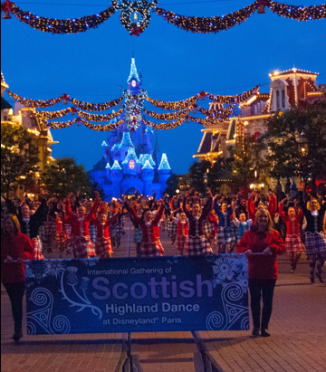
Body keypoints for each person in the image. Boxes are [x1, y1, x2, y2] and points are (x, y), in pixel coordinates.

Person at [237, 208, 285, 337]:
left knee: (268, 301)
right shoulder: (248, 234)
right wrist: (245, 250)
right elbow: (240, 247)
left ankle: (265, 327)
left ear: (268, 219)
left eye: (265, 217)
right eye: (261, 217)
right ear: (256, 219)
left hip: (269, 273)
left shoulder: (274, 234)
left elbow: (282, 248)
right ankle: (256, 326)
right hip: (254, 272)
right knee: (255, 299)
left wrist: (272, 247)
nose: (263, 219)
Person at [1, 214, 34, 344]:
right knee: (14, 302)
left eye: (10, 223)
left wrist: (24, 256)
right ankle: (17, 328)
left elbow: (31, 252)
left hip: (20, 274)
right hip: (7, 275)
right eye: (6, 223)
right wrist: (4, 257)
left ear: (15, 224)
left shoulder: (23, 238)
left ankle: (17, 329)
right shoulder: (2, 239)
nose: (7, 226)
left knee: (17, 302)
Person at [300, 191, 326, 283]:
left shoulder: (320, 212)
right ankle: (311, 272)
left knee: (322, 255)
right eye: (312, 203)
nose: (314, 204)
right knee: (312, 258)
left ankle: (319, 271)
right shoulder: (307, 212)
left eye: (315, 203)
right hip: (310, 235)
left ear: (317, 204)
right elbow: (301, 203)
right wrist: (302, 191)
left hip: (319, 234)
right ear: (309, 204)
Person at [182, 189, 213, 256]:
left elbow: (209, 208)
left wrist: (210, 197)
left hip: (201, 239)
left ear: (199, 208)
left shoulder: (202, 216)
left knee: (202, 256)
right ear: (192, 208)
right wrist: (185, 198)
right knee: (192, 257)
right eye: (194, 207)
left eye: (197, 207)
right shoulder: (190, 216)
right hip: (192, 239)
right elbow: (184, 208)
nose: (196, 208)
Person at [279, 199, 305, 273]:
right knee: (291, 255)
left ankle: (295, 263)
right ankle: (292, 266)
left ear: (294, 212)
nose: (291, 212)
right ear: (288, 213)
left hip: (297, 237)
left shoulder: (297, 218)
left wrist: (297, 205)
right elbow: (280, 213)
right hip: (289, 237)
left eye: (292, 211)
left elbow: (301, 212)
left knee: (299, 253)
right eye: (290, 211)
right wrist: (281, 203)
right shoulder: (286, 218)